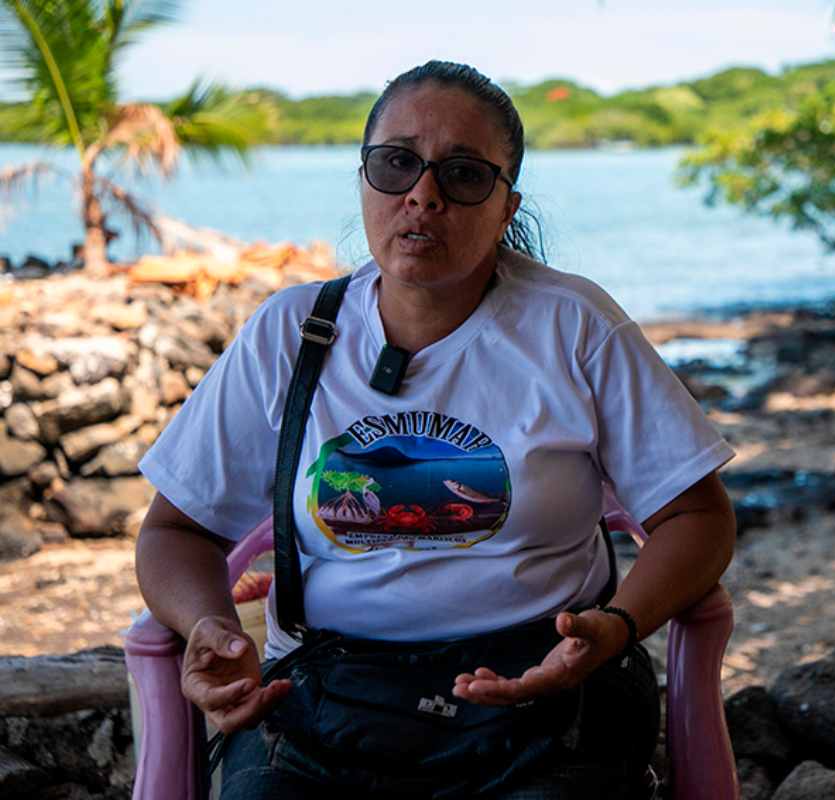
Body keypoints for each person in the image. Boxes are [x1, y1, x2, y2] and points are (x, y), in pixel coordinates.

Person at [134, 60, 737, 799]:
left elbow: (698, 515)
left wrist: (615, 627)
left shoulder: (575, 328)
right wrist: (209, 626)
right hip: (328, 697)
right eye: (396, 164)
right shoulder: (291, 334)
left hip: (546, 688)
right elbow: (177, 533)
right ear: (364, 179)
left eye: (463, 175)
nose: (423, 195)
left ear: (506, 205)